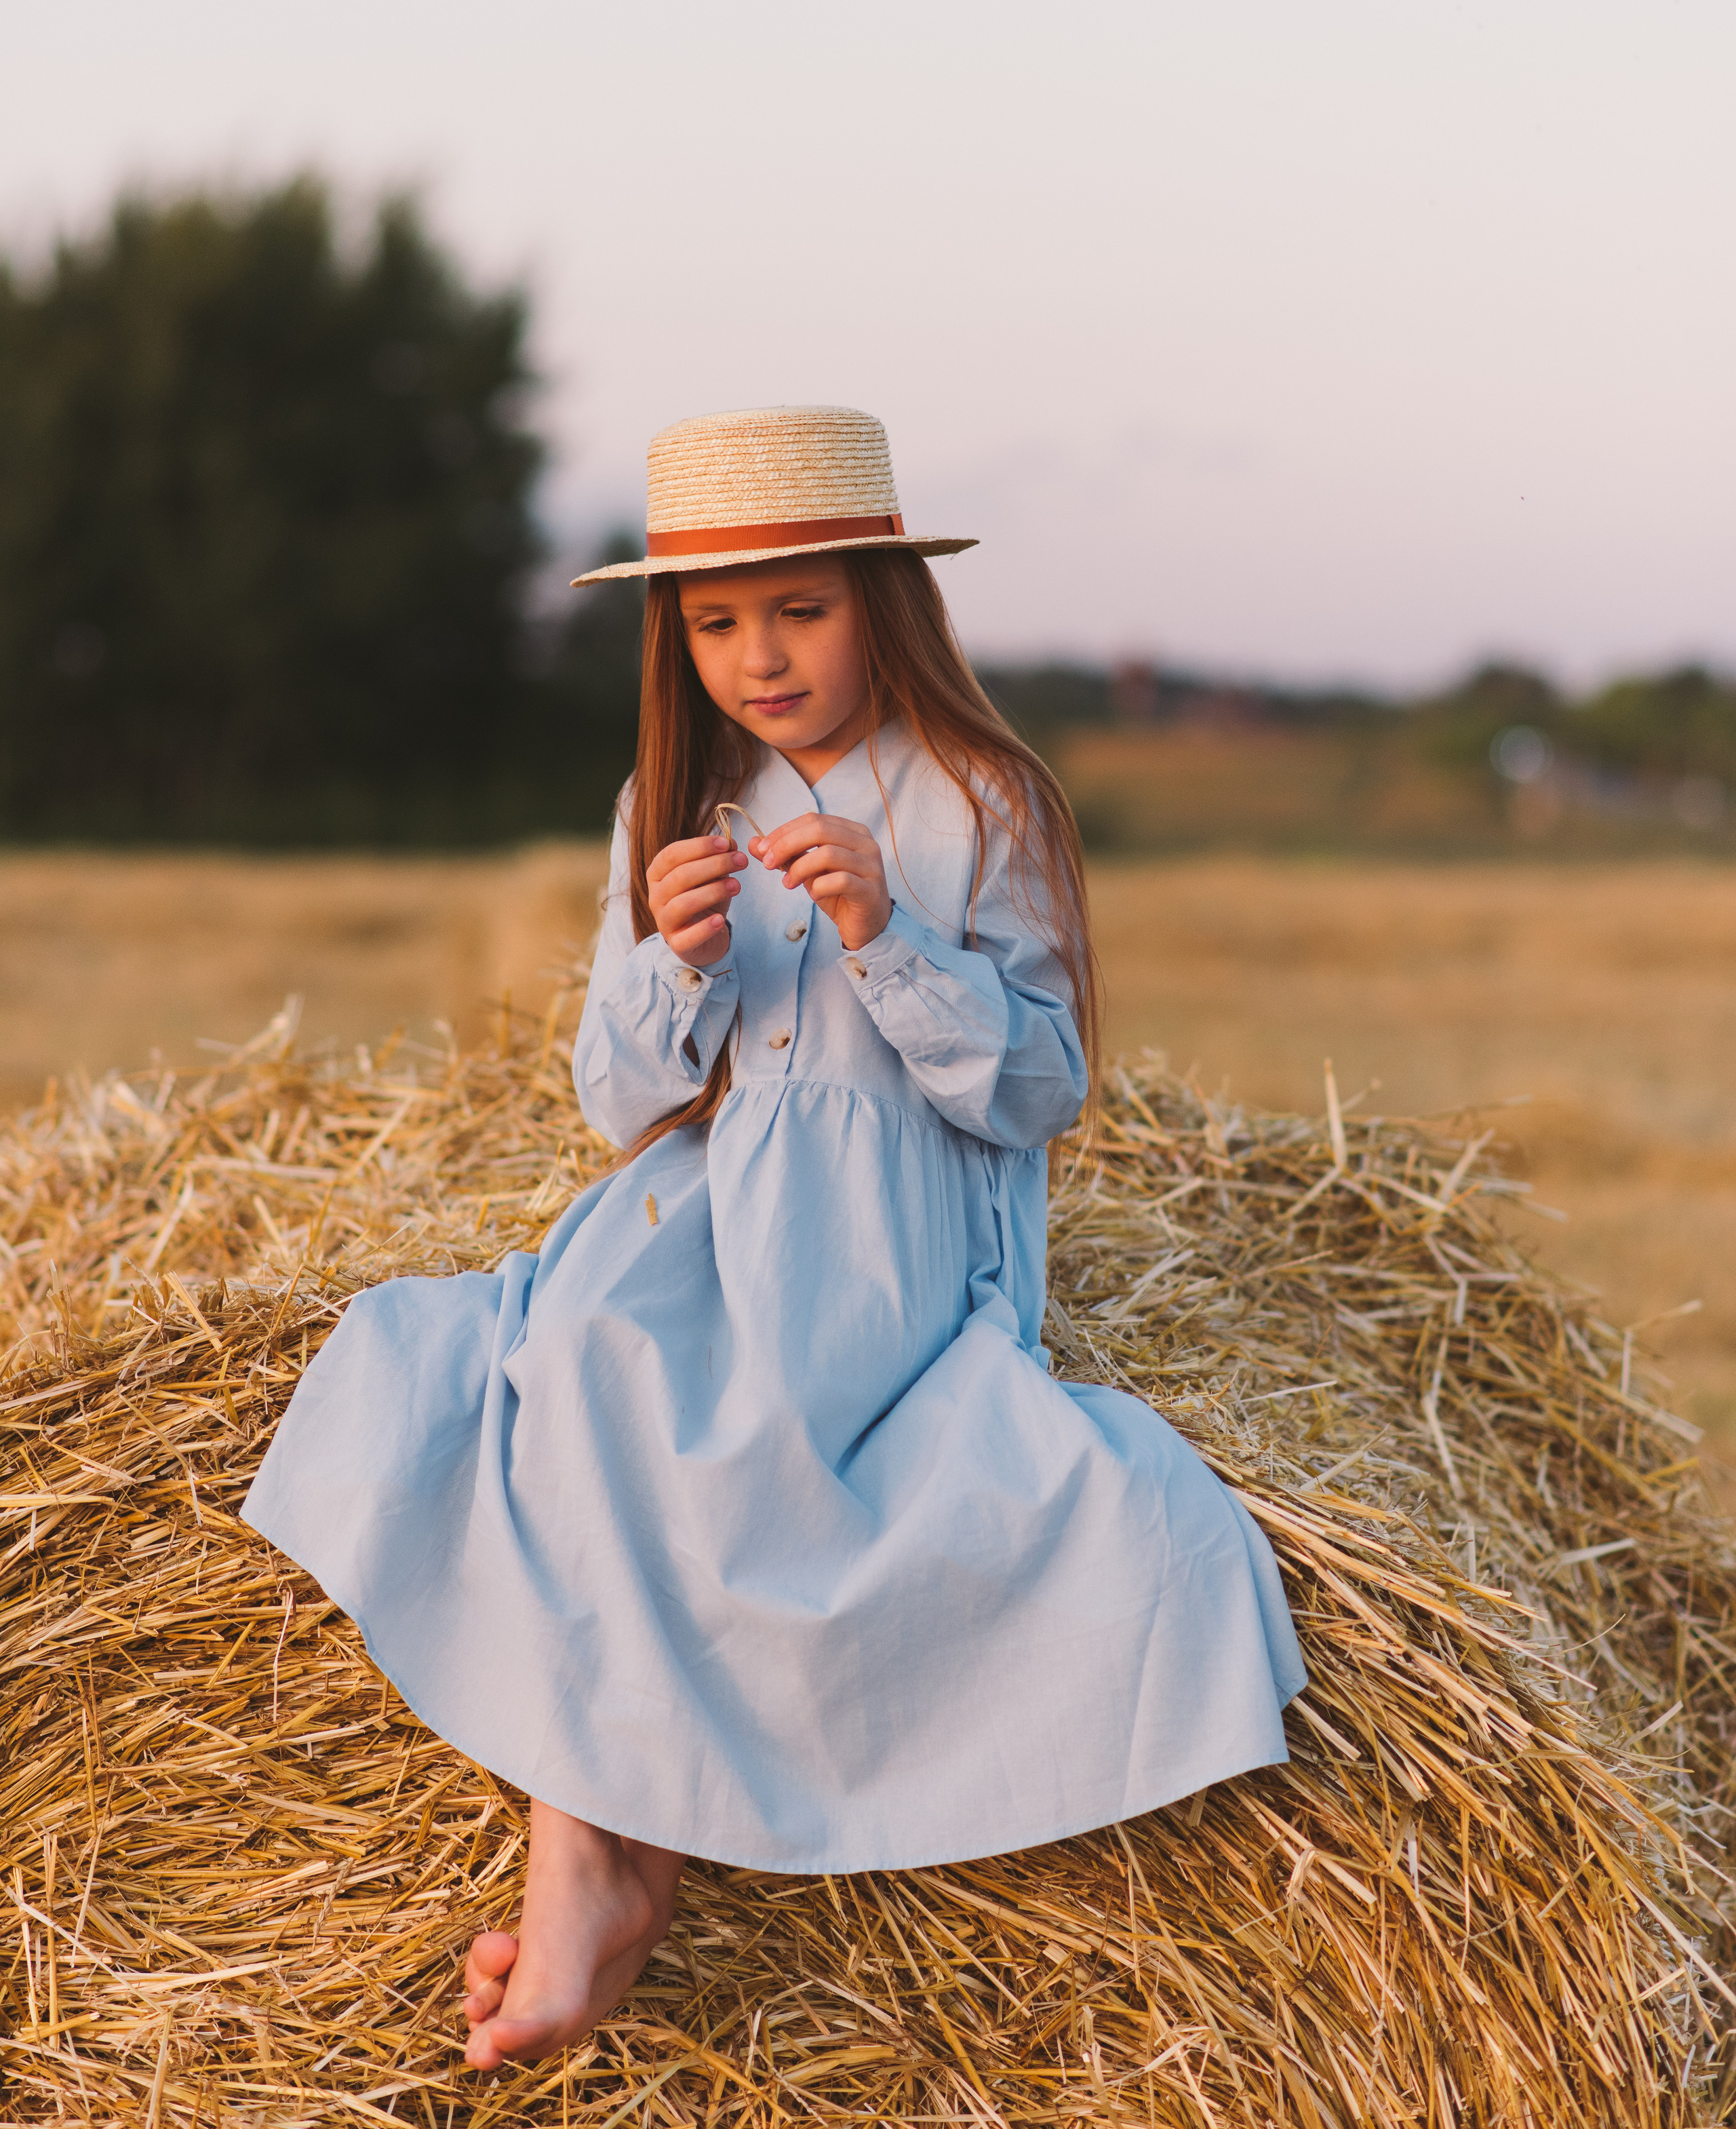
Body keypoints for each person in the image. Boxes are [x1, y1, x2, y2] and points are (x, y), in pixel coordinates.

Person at [243, 404, 1305, 2071]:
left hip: (892, 1237)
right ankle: (589, 1853)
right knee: (570, 1373)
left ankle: (607, 1866)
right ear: (675, 639)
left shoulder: (981, 798)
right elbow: (618, 1099)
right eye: (716, 622)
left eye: (798, 609)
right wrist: (670, 963)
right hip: (704, 1209)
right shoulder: (672, 798)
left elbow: (1034, 1088)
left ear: (883, 599)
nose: (759, 656)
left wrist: (885, 933)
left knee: (778, 1454)